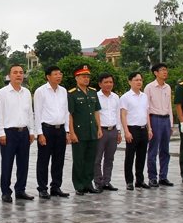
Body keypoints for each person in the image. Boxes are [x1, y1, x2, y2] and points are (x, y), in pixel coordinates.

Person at [0, 64, 35, 202]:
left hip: (24, 132)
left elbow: (30, 113)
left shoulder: (26, 93)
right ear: (9, 75)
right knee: (7, 164)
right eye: (15, 72)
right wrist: (1, 133)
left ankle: (21, 190)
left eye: (21, 73)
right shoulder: (2, 93)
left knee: (23, 163)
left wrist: (32, 130)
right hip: (8, 133)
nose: (19, 75)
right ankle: (6, 191)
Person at [33, 65, 71, 199]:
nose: (59, 76)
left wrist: (67, 131)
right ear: (48, 76)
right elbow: (37, 113)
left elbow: (66, 111)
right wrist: (40, 133)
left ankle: (56, 186)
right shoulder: (41, 91)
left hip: (60, 129)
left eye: (60, 74)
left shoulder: (63, 91)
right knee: (43, 160)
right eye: (55, 74)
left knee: (59, 160)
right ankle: (42, 188)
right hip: (46, 129)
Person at [68, 63, 103, 196]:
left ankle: (88, 183)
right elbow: (70, 115)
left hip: (91, 131)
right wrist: (72, 132)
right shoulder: (72, 94)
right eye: (83, 76)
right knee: (79, 160)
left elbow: (96, 112)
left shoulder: (93, 92)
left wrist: (99, 128)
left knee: (90, 159)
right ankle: (78, 185)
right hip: (79, 131)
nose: (86, 79)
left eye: (88, 76)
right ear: (76, 78)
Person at [120, 72, 153, 190]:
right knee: (130, 156)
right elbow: (123, 115)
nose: (139, 82)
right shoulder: (125, 97)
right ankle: (129, 181)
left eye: (140, 80)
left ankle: (140, 180)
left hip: (143, 128)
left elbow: (147, 113)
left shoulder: (144, 96)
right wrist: (126, 131)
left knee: (142, 155)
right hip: (132, 129)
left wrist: (149, 128)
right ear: (130, 82)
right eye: (136, 80)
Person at [145, 62, 175, 187]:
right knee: (153, 150)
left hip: (165, 120)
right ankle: (152, 177)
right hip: (155, 119)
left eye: (166, 70)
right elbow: (146, 107)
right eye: (162, 70)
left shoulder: (168, 87)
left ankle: (163, 176)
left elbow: (169, 107)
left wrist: (171, 123)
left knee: (165, 150)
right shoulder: (149, 87)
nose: (165, 72)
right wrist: (149, 126)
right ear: (155, 73)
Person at [94, 72, 121, 191]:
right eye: (106, 82)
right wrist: (98, 129)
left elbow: (118, 114)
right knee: (97, 158)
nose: (109, 84)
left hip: (113, 130)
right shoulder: (95, 97)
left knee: (110, 158)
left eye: (111, 82)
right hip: (101, 131)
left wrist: (119, 131)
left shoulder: (115, 97)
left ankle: (107, 181)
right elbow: (95, 115)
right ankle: (98, 181)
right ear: (100, 84)